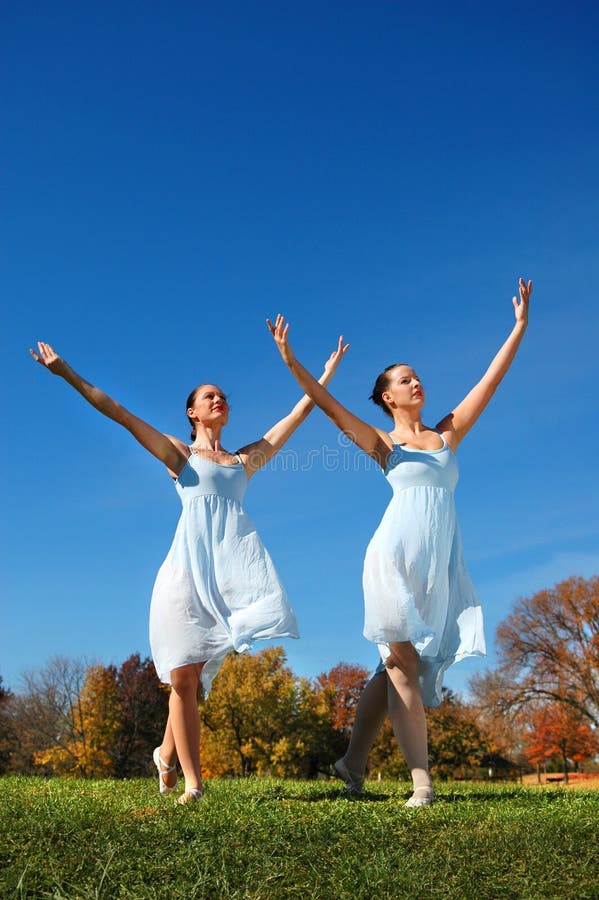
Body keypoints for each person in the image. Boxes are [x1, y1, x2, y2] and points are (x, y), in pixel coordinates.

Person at [29, 338, 348, 803]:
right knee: (182, 677)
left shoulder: (242, 462)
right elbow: (119, 412)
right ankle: (193, 784)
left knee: (191, 684)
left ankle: (164, 754)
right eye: (208, 396)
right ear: (193, 414)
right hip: (183, 576)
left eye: (222, 396)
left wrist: (323, 376)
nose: (219, 399)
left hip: (224, 581)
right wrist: (69, 374)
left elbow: (296, 416)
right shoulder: (181, 457)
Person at [268, 277, 533, 807]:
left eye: (418, 378)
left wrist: (520, 326)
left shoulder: (446, 435)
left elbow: (490, 380)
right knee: (401, 666)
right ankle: (422, 784)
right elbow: (325, 404)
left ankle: (352, 762)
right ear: (388, 396)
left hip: (437, 564)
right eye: (406, 380)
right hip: (391, 559)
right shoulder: (383, 443)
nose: (417, 384)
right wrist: (293, 362)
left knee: (390, 667)